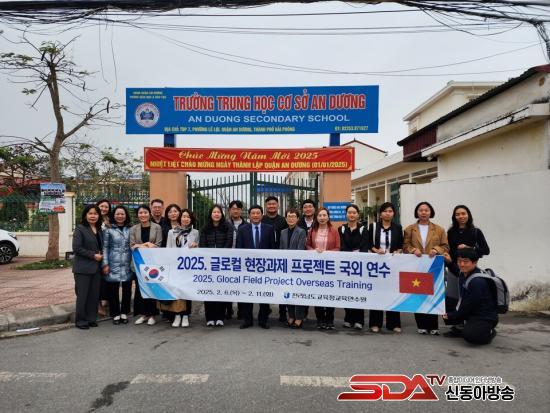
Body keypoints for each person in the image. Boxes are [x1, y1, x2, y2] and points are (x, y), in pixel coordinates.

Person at [403, 201, 449, 336]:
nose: (423, 212)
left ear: (431, 212)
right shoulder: (409, 229)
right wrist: (413, 250)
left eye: (426, 210)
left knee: (433, 295)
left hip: (434, 267)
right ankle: (421, 325)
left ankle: (433, 326)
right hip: (416, 266)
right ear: (417, 212)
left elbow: (446, 246)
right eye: (421, 210)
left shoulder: (439, 229)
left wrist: (436, 249)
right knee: (418, 295)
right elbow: (405, 246)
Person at [362, 202, 404, 333]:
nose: (387, 213)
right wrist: (376, 250)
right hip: (377, 265)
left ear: (394, 214)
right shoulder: (373, 226)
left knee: (392, 293)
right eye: (385, 211)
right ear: (380, 214)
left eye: (390, 211)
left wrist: (398, 251)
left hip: (392, 265)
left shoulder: (398, 227)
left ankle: (394, 323)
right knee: (377, 293)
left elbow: (401, 245)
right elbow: (368, 243)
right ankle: (375, 323)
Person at [443, 248, 498, 345]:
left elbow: (469, 305)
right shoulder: (465, 272)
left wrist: (452, 315)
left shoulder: (477, 282)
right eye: (459, 261)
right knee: (448, 301)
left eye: (465, 261)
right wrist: (450, 262)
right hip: (473, 312)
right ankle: (464, 326)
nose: (462, 264)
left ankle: (490, 331)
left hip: (485, 316)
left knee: (470, 336)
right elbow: (456, 271)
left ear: (474, 262)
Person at [445, 205, 490, 313]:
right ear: (454, 217)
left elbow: (486, 250)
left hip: (470, 269)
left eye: (463, 213)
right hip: (454, 268)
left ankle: (468, 319)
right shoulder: (451, 232)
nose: (461, 216)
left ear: (468, 215)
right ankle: (454, 320)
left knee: (468, 297)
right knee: (452, 297)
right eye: (457, 214)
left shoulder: (476, 231)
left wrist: (470, 248)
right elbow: (448, 249)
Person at [237, 204, 276, 329]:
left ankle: (263, 320)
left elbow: (272, 248)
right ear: (249, 215)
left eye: (258, 213)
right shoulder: (242, 229)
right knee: (247, 294)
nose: (255, 215)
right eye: (253, 213)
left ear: (262, 215)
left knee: (264, 294)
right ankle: (247, 320)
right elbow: (239, 248)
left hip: (264, 268)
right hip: (247, 268)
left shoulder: (269, 229)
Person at [306, 207, 340, 330]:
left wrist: (326, 253)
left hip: (330, 267)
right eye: (320, 215)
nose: (322, 218)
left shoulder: (334, 231)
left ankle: (329, 319)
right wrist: (314, 250)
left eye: (324, 215)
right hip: (316, 267)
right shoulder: (312, 230)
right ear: (316, 217)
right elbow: (307, 245)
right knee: (318, 293)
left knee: (329, 293)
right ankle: (320, 319)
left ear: (328, 217)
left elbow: (338, 247)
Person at [199, 204, 233, 327]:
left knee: (220, 290)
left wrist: (220, 256)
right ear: (211, 214)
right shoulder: (205, 228)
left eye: (218, 212)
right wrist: (209, 257)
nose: (216, 214)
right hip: (208, 264)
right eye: (214, 212)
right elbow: (202, 245)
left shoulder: (227, 227)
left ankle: (220, 317)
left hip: (222, 263)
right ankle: (209, 317)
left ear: (221, 214)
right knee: (209, 291)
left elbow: (229, 242)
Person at [166, 208, 199, 328]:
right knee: (176, 290)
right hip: (175, 266)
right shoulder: (172, 232)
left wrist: (196, 245)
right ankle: (177, 315)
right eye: (183, 216)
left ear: (191, 219)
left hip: (189, 267)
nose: (185, 219)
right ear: (180, 218)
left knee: (187, 291)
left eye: (188, 217)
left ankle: (185, 315)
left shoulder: (195, 232)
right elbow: (168, 248)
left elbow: (199, 250)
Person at [130, 204, 162, 326]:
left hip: (152, 264)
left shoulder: (157, 227)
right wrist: (147, 244)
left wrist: (141, 245)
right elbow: (132, 246)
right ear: (137, 215)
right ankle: (143, 315)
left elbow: (158, 245)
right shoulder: (133, 229)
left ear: (149, 214)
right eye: (140, 213)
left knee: (152, 288)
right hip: (139, 264)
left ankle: (152, 315)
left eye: (145, 212)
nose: (143, 215)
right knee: (140, 289)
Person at [72, 205, 103, 330]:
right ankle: (81, 320)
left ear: (99, 215)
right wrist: (93, 255)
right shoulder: (80, 229)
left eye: (95, 213)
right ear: (85, 215)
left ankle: (91, 319)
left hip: (96, 268)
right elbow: (77, 248)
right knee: (83, 295)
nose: (93, 216)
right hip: (83, 268)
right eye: (90, 213)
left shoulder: (99, 229)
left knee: (94, 295)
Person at [102, 205, 133, 325]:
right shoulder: (108, 229)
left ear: (126, 215)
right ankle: (115, 313)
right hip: (112, 262)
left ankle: (124, 312)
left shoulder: (131, 229)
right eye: (117, 214)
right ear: (113, 215)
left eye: (122, 214)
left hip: (127, 262)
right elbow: (105, 248)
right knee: (113, 289)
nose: (120, 216)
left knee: (127, 289)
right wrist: (105, 264)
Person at [261, 196, 288, 322]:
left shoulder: (283, 220)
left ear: (278, 206)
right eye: (269, 204)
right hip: (265, 258)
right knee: (265, 286)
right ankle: (265, 311)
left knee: (281, 285)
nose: (271, 206)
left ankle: (283, 312)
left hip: (281, 258)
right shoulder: (262, 219)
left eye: (274, 204)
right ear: (266, 206)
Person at [280, 208, 307, 328]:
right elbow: (281, 249)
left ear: (297, 219)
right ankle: (291, 316)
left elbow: (300, 250)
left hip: (297, 267)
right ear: (286, 218)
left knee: (298, 293)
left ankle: (299, 318)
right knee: (288, 292)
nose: (291, 219)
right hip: (285, 267)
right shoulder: (283, 232)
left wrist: (291, 261)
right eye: (289, 216)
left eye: (293, 216)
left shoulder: (301, 231)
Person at [339, 204, 365, 330]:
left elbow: (364, 246)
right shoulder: (342, 229)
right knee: (347, 291)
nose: (352, 215)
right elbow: (342, 246)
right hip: (345, 265)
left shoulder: (363, 228)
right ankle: (348, 318)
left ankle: (359, 320)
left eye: (354, 212)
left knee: (358, 291)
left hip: (359, 265)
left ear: (358, 214)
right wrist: (351, 253)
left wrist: (357, 253)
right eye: (349, 212)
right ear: (346, 214)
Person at [226, 200, 245, 320]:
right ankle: (228, 310)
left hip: (242, 260)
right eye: (233, 208)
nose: (236, 211)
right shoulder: (225, 224)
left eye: (238, 208)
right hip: (227, 259)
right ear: (229, 210)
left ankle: (241, 311)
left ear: (241, 210)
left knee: (241, 285)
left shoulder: (246, 225)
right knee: (227, 284)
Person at [95, 199, 111, 317]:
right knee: (98, 279)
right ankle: (98, 303)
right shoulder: (93, 219)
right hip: (97, 253)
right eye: (102, 206)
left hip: (108, 252)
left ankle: (107, 299)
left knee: (107, 277)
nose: (104, 209)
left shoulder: (109, 220)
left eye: (106, 207)